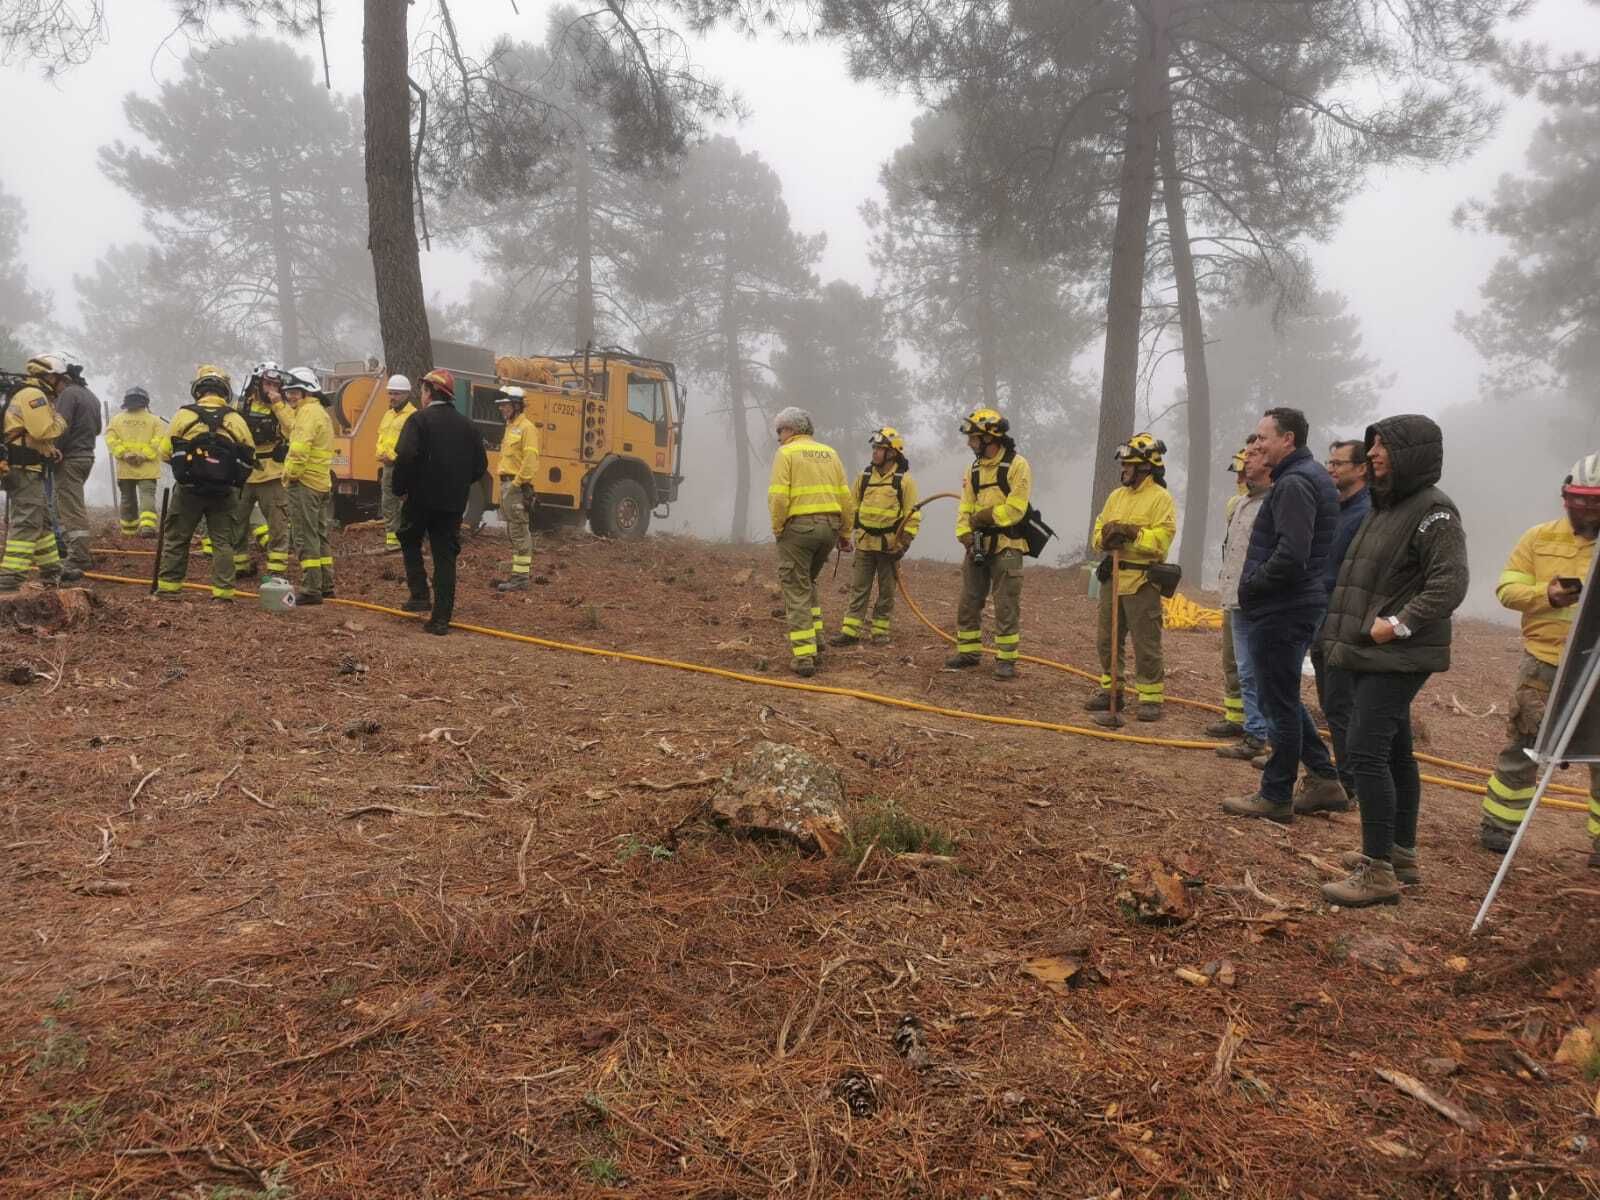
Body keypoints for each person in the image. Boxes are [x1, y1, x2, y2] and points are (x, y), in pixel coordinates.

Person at [1317, 416, 1469, 906]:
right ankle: (1400, 853)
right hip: (1372, 649)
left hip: (1396, 651)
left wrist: (1396, 624)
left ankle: (1377, 870)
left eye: (1383, 445)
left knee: (1364, 752)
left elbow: (1449, 583)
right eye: (1373, 443)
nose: (1374, 452)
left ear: (1412, 453)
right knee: (1396, 751)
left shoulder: (1435, 512)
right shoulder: (1387, 505)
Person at [1222, 406, 1346, 823]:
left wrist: (1253, 585)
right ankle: (1325, 777)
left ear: (1288, 439)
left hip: (1284, 606)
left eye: (1263, 438)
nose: (1256, 445)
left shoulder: (1295, 483)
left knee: (1278, 704)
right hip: (1292, 602)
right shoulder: (1304, 478)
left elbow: (1292, 554)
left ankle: (1275, 794)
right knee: (1282, 697)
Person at [1479, 454, 1600, 868]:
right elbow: (1507, 587)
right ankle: (1498, 828)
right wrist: (1545, 595)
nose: (1585, 508)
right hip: (1545, 662)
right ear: (1566, 496)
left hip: (1597, 670)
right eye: (1578, 499)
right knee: (1524, 745)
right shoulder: (1540, 538)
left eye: (1595, 501)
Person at [1087, 432, 1177, 720]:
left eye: (1129, 465)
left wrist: (1133, 533)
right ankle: (1111, 691)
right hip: (1112, 578)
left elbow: (1161, 541)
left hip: (1141, 582)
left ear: (1144, 467)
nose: (1123, 469)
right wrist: (1105, 538)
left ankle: (1150, 698)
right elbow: (1097, 534)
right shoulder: (1116, 496)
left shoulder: (1161, 499)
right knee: (1107, 640)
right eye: (1123, 465)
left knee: (1145, 641)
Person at [392, 368, 489, 635]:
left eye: (422, 390)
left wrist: (399, 488)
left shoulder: (418, 421)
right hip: (452, 503)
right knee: (445, 557)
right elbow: (481, 467)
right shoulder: (468, 426)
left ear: (428, 392)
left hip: (420, 499)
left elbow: (406, 456)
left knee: (408, 538)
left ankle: (419, 593)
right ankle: (440, 619)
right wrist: (456, 485)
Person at [1305, 438, 1374, 809]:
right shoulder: (1335, 509)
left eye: (1339, 464)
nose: (1331, 469)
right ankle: (1346, 775)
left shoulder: (1367, 515)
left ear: (1362, 469)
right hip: (1323, 615)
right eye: (1329, 463)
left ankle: (1351, 782)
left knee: (1342, 703)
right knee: (1332, 703)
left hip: (1347, 621)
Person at [154, 365, 255, 602]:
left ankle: (169, 590)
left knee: (178, 538)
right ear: (224, 392)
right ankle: (223, 594)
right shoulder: (235, 419)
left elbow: (165, 452)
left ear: (198, 390)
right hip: (224, 492)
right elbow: (250, 455)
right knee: (223, 542)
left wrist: (190, 469)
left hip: (188, 491)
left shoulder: (184, 415)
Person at [947, 408, 1033, 680]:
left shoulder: (1017, 465)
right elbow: (965, 508)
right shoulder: (973, 469)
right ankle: (969, 653)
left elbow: (1016, 509)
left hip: (1010, 547)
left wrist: (987, 516)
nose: (969, 443)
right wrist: (965, 535)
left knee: (1006, 599)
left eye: (974, 438)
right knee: (969, 599)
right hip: (979, 546)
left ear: (990, 438)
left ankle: (1006, 659)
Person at [767, 406, 853, 676]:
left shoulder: (786, 453)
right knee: (807, 582)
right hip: (829, 529)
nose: (778, 437)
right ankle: (817, 639)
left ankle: (804, 657)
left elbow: (779, 497)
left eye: (779, 430)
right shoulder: (830, 453)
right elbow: (846, 498)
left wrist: (778, 527)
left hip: (799, 531)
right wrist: (845, 533)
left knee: (796, 588)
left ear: (791, 429)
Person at [831, 427, 919, 645]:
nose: (875, 452)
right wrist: (844, 533)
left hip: (889, 546)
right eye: (874, 448)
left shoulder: (904, 481)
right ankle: (850, 632)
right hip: (864, 543)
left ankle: (880, 631)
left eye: (880, 448)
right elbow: (852, 508)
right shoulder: (864, 477)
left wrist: (903, 544)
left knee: (887, 590)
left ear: (892, 453)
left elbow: (912, 516)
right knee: (859, 588)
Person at [1214, 437, 1273, 761]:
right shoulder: (1240, 505)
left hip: (1262, 601)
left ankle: (1272, 736)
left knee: (1265, 670)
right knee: (1246, 670)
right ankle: (1255, 734)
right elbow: (1232, 552)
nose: (1241, 473)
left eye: (1249, 463)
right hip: (1237, 597)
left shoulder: (1275, 504)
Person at [0, 354, 70, 592]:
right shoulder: (34, 395)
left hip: (29, 467)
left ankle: (52, 572)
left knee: (43, 523)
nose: (62, 384)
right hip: (23, 470)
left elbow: (28, 435)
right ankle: (9, 578)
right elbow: (42, 430)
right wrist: (60, 420)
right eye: (61, 379)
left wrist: (49, 451)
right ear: (50, 376)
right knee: (28, 522)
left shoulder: (32, 394)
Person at [229, 363, 293, 578]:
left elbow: (293, 431)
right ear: (257, 383)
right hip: (244, 473)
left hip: (272, 474)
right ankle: (240, 566)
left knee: (277, 525)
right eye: (267, 383)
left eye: (275, 385)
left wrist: (278, 405)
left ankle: (276, 572)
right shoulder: (241, 405)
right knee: (236, 521)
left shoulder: (284, 407)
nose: (271, 389)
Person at [281, 366, 335, 605]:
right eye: (289, 392)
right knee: (320, 535)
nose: (290, 396)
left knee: (304, 535)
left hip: (304, 483)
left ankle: (312, 588)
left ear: (307, 391)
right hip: (320, 483)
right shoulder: (319, 412)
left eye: (295, 391)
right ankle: (325, 584)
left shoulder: (307, 414)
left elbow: (299, 450)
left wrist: (289, 476)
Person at [50, 352, 102, 582]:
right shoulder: (89, 395)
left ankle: (78, 557)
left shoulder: (68, 394)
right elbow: (98, 428)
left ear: (61, 378)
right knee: (67, 505)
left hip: (70, 458)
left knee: (70, 509)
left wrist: (54, 449)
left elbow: (60, 427)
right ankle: (71, 550)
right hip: (86, 456)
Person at [493, 386, 540, 593]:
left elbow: (530, 460)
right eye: (501, 406)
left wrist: (516, 484)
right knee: (514, 531)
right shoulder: (511, 427)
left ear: (516, 406)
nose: (502, 409)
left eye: (505, 405)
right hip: (508, 485)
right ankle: (517, 574)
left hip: (515, 486)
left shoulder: (526, 428)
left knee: (520, 531)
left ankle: (520, 579)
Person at [104, 386, 163, 537]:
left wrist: (124, 454)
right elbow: (159, 441)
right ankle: (148, 528)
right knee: (147, 497)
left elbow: (110, 440)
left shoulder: (117, 419)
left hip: (125, 468)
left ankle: (128, 533)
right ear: (145, 402)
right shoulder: (154, 420)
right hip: (147, 468)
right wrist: (144, 456)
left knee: (127, 499)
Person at [375, 374, 415, 552]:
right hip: (388, 466)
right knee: (388, 503)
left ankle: (404, 539)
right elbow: (381, 438)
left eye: (397, 394)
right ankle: (392, 540)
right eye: (390, 393)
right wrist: (381, 453)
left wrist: (392, 456)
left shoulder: (413, 416)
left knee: (402, 504)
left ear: (406, 394)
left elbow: (408, 443)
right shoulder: (387, 415)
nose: (392, 397)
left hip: (404, 467)